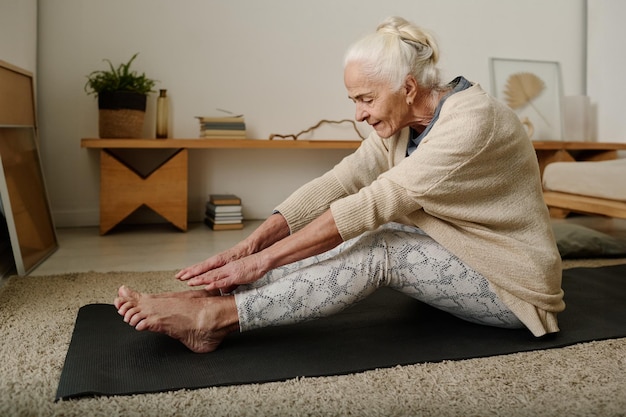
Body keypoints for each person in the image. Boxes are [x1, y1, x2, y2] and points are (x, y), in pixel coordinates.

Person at [115, 16, 565, 353]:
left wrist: (262, 262)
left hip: (514, 287)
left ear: (408, 87)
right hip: (456, 247)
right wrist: (245, 251)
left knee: (379, 245)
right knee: (354, 231)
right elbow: (339, 182)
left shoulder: (472, 122)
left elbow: (373, 203)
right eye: (355, 100)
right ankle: (211, 296)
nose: (360, 114)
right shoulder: (404, 122)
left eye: (366, 100)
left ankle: (217, 318)